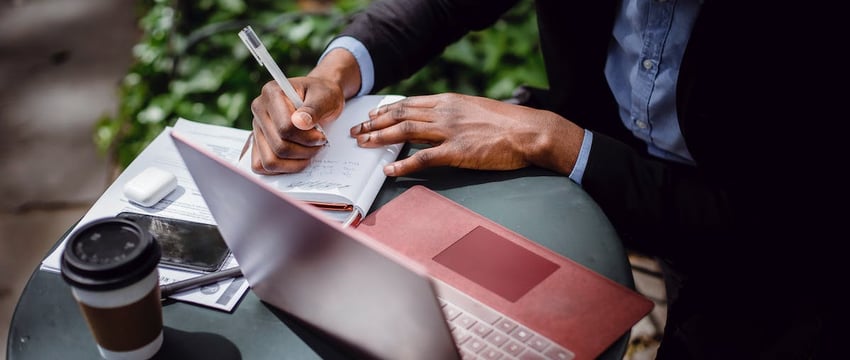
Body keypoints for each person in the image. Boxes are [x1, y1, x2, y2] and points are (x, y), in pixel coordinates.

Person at [248, 1, 843, 358]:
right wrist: (337, 71)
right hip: (605, 157)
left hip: (775, 250)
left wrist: (552, 140)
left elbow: (778, 224)